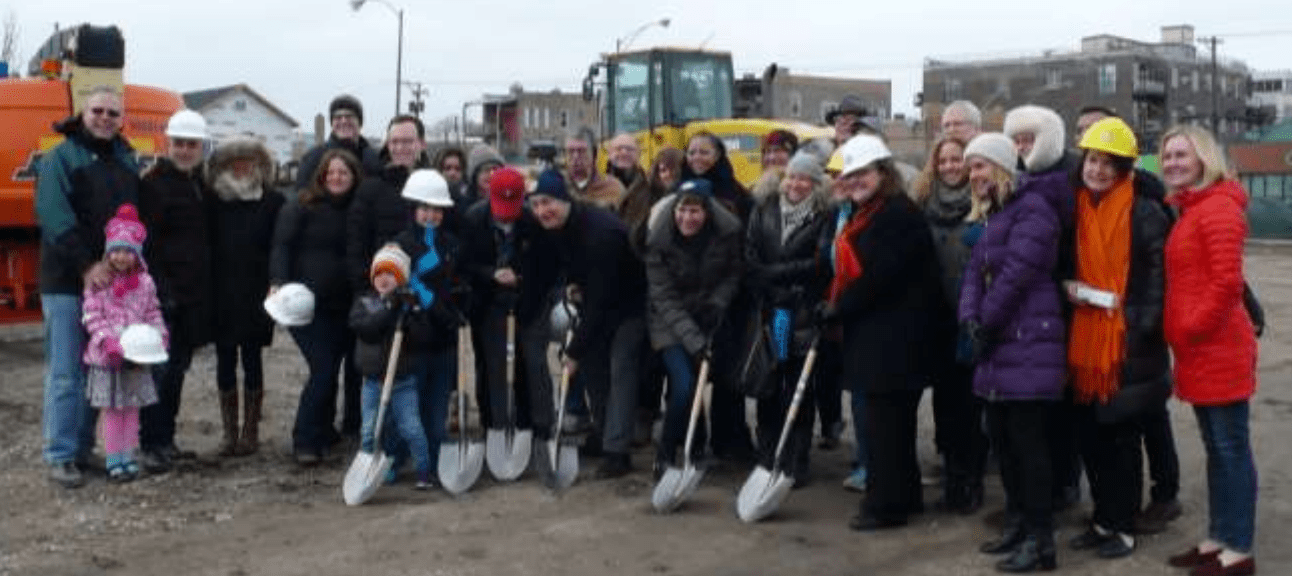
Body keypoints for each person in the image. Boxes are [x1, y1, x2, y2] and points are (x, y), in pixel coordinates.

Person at [1062, 117, 1172, 560]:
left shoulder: (1144, 211)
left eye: (1110, 163)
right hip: (1086, 338)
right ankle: (1103, 519)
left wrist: (1136, 325)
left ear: (1125, 168)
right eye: (1092, 160)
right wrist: (1068, 287)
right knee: (1090, 438)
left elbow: (1158, 279)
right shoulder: (1078, 206)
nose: (1098, 170)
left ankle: (1124, 526)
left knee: (1121, 442)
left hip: (1127, 345)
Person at [819, 135, 942, 532]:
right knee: (892, 426)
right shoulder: (869, 212)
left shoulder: (895, 215)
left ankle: (885, 506)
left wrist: (840, 306)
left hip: (894, 338)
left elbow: (881, 277)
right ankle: (904, 497)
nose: (856, 181)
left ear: (882, 173)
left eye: (863, 173)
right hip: (881, 335)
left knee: (885, 427)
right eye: (850, 175)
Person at [959, 132, 1065, 573]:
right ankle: (1018, 523)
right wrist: (969, 317)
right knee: (1003, 444)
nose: (973, 176)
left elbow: (1017, 274)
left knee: (1029, 448)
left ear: (1001, 167)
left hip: (1028, 343)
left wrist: (986, 321)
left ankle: (1042, 540)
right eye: (970, 168)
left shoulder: (1033, 209)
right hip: (999, 347)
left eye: (980, 166)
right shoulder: (994, 216)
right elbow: (973, 273)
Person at [1160, 125, 1259, 576]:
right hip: (1200, 349)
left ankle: (1237, 548)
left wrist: (1187, 328)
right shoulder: (1193, 209)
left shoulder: (1218, 209)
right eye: (1167, 156)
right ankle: (1219, 539)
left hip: (1217, 347)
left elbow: (1226, 285)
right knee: (1217, 448)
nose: (1172, 163)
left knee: (1230, 448)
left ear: (1203, 159)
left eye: (1182, 155)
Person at [35, 87, 140, 488]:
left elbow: (131, 223)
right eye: (98, 110)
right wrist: (85, 265)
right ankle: (60, 454)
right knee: (66, 372)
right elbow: (52, 214)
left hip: (111, 284)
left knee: (99, 365)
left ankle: (82, 448)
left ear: (121, 118)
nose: (105, 118)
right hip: (66, 281)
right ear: (84, 112)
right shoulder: (61, 157)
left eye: (113, 113)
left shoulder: (127, 160)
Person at [529, 169, 649, 478]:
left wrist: (573, 351)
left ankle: (617, 452)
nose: (543, 210)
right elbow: (563, 270)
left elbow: (602, 300)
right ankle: (603, 432)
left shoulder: (600, 233)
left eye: (549, 202)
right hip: (597, 303)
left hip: (631, 306)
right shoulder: (557, 228)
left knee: (620, 369)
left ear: (566, 199)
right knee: (595, 370)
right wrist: (570, 286)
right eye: (537, 204)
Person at [1003, 104, 1083, 514]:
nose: (1022, 146)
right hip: (1032, 306)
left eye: (1028, 139)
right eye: (1016, 140)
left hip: (1062, 298)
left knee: (1061, 405)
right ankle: (1048, 489)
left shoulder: (1069, 175)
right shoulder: (1017, 179)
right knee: (1038, 408)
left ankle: (1066, 483)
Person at [644, 178, 743, 476]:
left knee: (705, 382)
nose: (687, 218)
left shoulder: (725, 234)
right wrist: (695, 343)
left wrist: (717, 303)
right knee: (685, 385)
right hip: (669, 322)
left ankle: (697, 445)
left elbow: (733, 273)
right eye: (682, 210)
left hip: (707, 316)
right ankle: (665, 453)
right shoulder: (658, 241)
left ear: (708, 212)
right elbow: (663, 297)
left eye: (695, 212)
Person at [910, 135, 987, 514]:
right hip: (935, 318)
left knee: (969, 408)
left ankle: (971, 482)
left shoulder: (984, 205)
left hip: (970, 319)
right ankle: (953, 479)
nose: (951, 167)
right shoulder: (923, 204)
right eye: (944, 161)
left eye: (958, 160)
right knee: (944, 405)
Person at [272, 149, 363, 464]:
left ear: (353, 177)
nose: (336, 178)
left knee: (335, 367)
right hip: (305, 305)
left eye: (343, 173)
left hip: (345, 305)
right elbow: (282, 245)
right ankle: (305, 439)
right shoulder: (302, 205)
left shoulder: (358, 209)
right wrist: (277, 282)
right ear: (322, 176)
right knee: (323, 369)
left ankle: (325, 429)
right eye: (331, 173)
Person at [745, 151, 830, 485]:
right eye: (792, 177)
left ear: (815, 184)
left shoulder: (823, 216)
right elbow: (750, 256)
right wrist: (772, 280)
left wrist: (773, 273)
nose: (796, 184)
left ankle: (797, 458)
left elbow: (820, 264)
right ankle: (767, 453)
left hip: (802, 313)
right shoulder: (764, 210)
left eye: (804, 178)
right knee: (769, 383)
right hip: (772, 314)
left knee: (798, 388)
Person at [458, 167, 556, 454]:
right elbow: (464, 265)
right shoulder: (474, 219)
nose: (506, 215)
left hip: (528, 301)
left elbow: (545, 268)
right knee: (493, 366)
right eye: (501, 208)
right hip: (488, 301)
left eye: (512, 208)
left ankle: (537, 427)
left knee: (533, 363)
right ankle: (495, 426)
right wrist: (491, 274)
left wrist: (521, 277)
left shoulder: (532, 221)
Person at [136, 109, 213, 472]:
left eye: (191, 144)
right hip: (165, 297)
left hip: (191, 296)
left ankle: (166, 440)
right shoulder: (155, 185)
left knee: (177, 371)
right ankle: (150, 443)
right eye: (179, 143)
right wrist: (162, 291)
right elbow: (146, 245)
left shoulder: (197, 184)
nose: (184, 150)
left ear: (201, 147)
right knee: (160, 373)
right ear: (169, 144)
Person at [678, 131, 757, 461]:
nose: (697, 158)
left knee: (727, 374)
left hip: (728, 297)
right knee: (686, 373)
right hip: (686, 298)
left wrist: (725, 295)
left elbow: (745, 246)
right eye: (692, 152)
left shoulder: (737, 195)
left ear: (719, 155)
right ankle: (692, 442)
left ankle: (730, 441)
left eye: (705, 152)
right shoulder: (677, 193)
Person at [208, 137, 285, 457]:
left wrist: (276, 282)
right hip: (221, 291)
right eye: (234, 162)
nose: (241, 167)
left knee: (252, 360)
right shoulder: (213, 201)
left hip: (256, 292)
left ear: (258, 165)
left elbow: (278, 246)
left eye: (248, 161)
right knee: (225, 360)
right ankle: (229, 433)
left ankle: (250, 431)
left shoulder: (272, 201)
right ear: (224, 166)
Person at [82, 204, 167, 482]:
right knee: (112, 411)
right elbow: (92, 315)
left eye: (128, 251)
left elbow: (153, 311)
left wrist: (159, 334)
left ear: (136, 254)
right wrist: (107, 341)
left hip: (137, 358)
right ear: (108, 252)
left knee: (131, 409)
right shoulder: (98, 282)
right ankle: (113, 458)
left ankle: (129, 455)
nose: (121, 256)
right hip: (108, 358)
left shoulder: (145, 282)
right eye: (116, 250)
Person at [349, 244, 433, 489]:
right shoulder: (364, 303)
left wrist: (411, 311)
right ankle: (371, 469)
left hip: (403, 381)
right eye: (380, 273)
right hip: (373, 381)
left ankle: (424, 471)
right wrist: (390, 308)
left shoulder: (409, 305)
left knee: (412, 428)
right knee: (368, 429)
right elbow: (366, 329)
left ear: (401, 279)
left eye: (391, 274)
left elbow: (422, 337)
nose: (384, 279)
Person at [347, 115, 430, 292]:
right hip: (381, 292)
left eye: (408, 141)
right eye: (394, 142)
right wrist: (368, 289)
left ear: (422, 144)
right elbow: (356, 247)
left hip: (427, 292)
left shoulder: (435, 186)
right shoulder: (369, 189)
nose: (400, 148)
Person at [295, 94, 382, 191]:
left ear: (360, 122)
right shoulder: (314, 157)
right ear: (332, 124)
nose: (343, 121)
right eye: (338, 117)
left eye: (349, 116)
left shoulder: (374, 157)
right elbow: (302, 194)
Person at [564, 127, 626, 210]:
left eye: (581, 151)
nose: (575, 157)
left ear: (594, 154)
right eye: (570, 151)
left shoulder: (613, 189)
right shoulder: (557, 187)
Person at [750, 130, 801, 202]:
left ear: (793, 156)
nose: (771, 158)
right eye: (767, 152)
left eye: (777, 150)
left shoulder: (803, 193)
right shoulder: (758, 190)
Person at [462, 144, 504, 214]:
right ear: (475, 176)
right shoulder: (464, 205)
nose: (492, 174)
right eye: (486, 169)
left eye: (496, 169)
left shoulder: (510, 201)